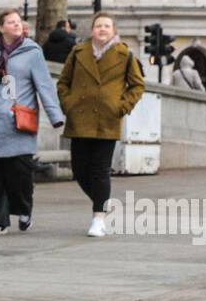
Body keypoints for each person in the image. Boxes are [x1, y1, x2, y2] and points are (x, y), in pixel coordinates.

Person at [0, 8, 64, 235]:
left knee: (19, 176)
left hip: (19, 125)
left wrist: (56, 116)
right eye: (11, 22)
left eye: (18, 21)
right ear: (1, 27)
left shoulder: (32, 53)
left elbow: (45, 86)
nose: (16, 25)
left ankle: (24, 210)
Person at [56, 12, 146, 238]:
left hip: (107, 119)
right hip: (80, 118)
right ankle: (102, 202)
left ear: (114, 30)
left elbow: (137, 85)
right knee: (79, 169)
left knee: (100, 170)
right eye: (98, 26)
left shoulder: (124, 54)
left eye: (107, 26)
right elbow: (63, 82)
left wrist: (121, 106)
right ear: (92, 30)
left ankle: (99, 217)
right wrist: (69, 104)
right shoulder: (78, 52)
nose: (102, 29)